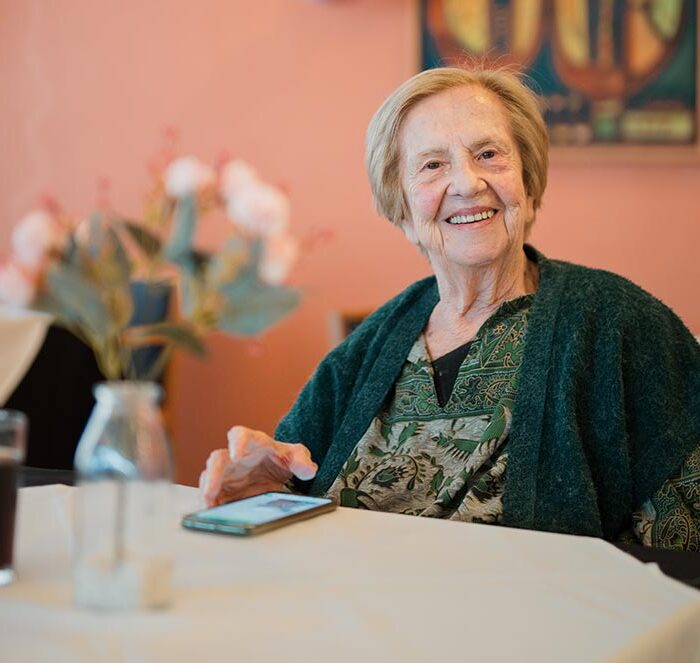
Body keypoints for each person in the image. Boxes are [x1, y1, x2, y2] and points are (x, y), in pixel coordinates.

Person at [200, 67, 700, 550]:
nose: (466, 183)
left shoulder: (620, 324)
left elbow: (681, 555)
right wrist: (261, 497)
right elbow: (290, 484)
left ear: (526, 179)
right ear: (402, 204)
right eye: (433, 165)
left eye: (488, 154)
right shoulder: (372, 344)